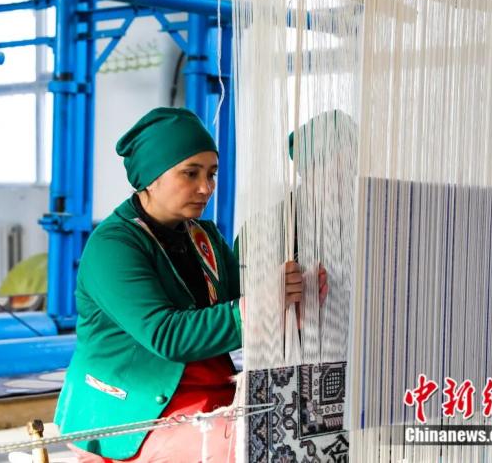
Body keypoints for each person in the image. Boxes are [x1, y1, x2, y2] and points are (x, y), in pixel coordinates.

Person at [54, 107, 327, 462]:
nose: (206, 188)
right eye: (190, 173)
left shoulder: (203, 237)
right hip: (132, 411)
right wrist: (260, 305)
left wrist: (292, 302)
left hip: (204, 393)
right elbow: (167, 335)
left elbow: (237, 303)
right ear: (151, 176)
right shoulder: (114, 247)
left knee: (310, 426)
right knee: (253, 445)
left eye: (211, 174)